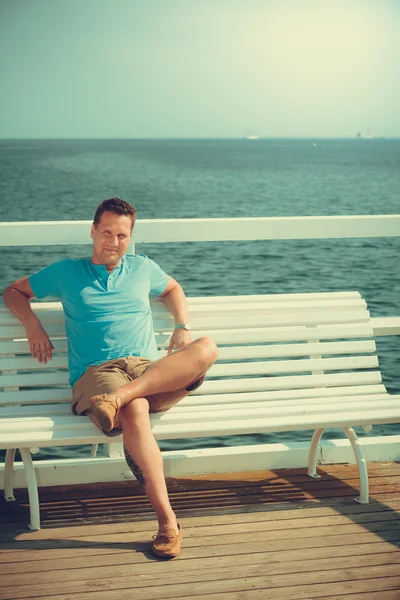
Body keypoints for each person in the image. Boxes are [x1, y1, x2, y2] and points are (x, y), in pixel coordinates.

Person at [2, 197, 218, 559]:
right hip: (99, 375)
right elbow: (14, 290)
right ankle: (168, 522)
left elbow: (171, 289)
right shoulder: (67, 272)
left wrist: (181, 325)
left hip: (146, 370)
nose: (113, 242)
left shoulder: (142, 267)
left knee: (206, 346)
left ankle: (125, 397)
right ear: (92, 231)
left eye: (122, 235)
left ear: (130, 237)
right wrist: (31, 323)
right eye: (106, 233)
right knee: (136, 411)